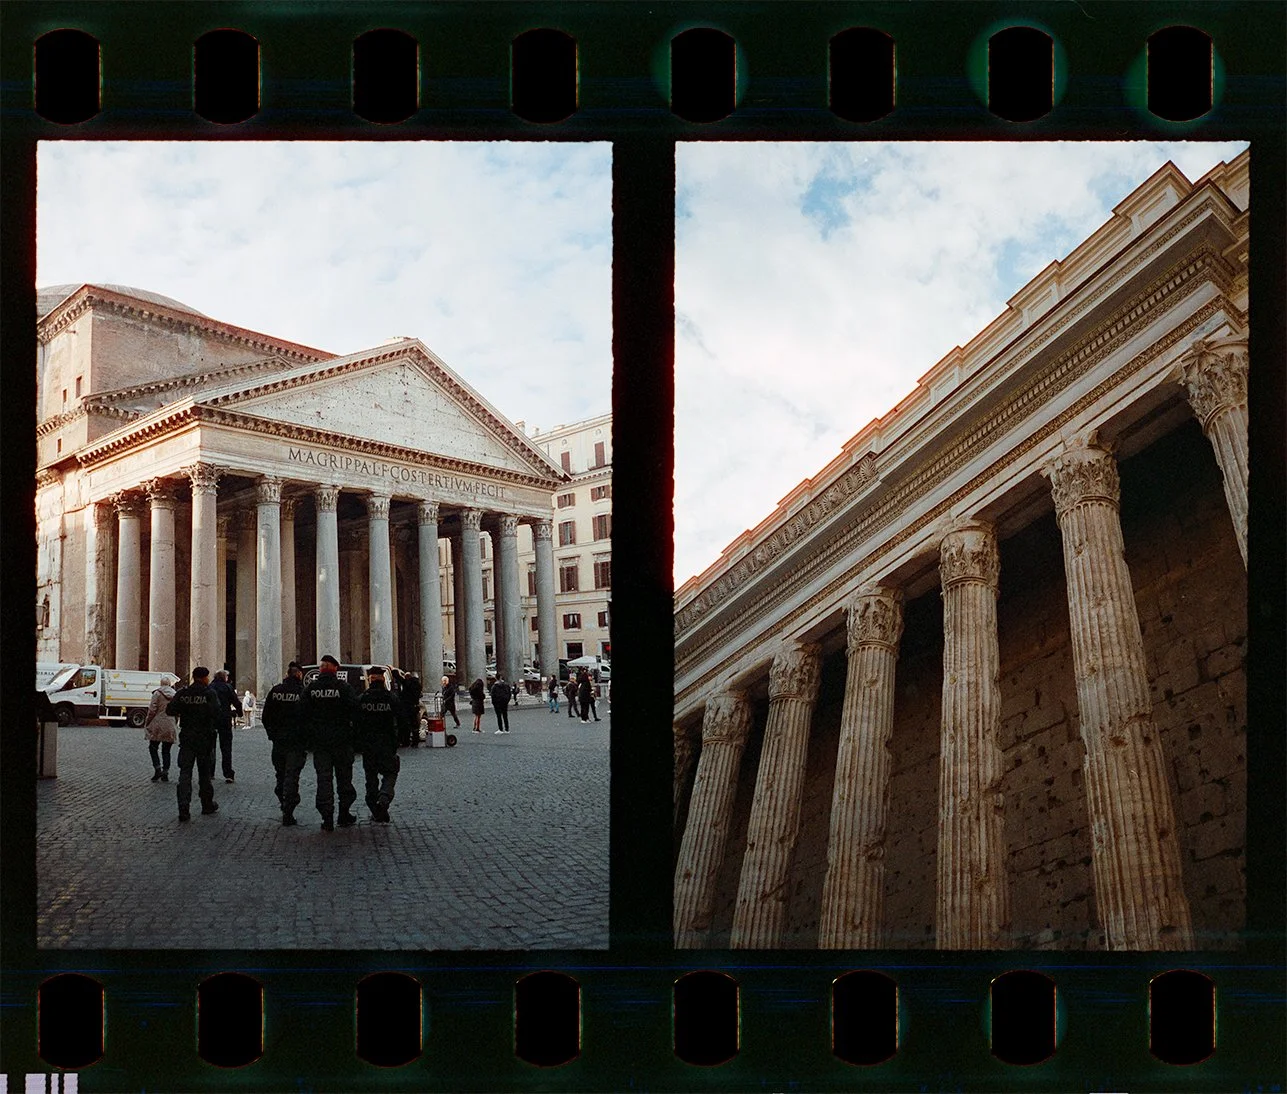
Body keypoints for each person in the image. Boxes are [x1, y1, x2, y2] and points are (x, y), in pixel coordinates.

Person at [301, 654, 359, 832]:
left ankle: (327, 818)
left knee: (323, 780)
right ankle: (343, 814)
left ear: (320, 669)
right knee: (344, 779)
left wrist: (310, 736)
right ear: (335, 668)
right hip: (341, 741)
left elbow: (302, 713)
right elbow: (356, 712)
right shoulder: (344, 688)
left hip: (320, 743)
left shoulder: (311, 689)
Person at [166, 666, 221, 821]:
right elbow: (217, 712)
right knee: (204, 774)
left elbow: (170, 710)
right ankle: (206, 804)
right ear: (204, 678)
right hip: (204, 738)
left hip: (187, 737)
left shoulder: (183, 693)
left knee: (185, 773)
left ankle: (183, 807)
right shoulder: (209, 693)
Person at [260, 661, 308, 826]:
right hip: (296, 741)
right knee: (292, 776)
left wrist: (272, 735)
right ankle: (288, 809)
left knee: (280, 774)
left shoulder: (275, 691)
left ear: (287, 674)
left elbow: (265, 716)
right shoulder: (303, 693)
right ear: (299, 675)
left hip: (279, 741)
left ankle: (283, 800)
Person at [356, 665, 401, 823]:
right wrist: (401, 739)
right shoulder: (391, 698)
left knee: (371, 777)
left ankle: (375, 808)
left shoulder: (362, 699)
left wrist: (358, 742)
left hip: (368, 745)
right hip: (387, 744)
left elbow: (356, 723)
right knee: (390, 773)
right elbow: (402, 720)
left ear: (370, 679)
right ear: (383, 679)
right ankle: (384, 798)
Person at [143, 674, 179, 782]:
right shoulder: (175, 695)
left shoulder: (157, 694)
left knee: (153, 747)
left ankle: (157, 768)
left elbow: (152, 710)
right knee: (166, 750)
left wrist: (147, 722)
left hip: (158, 723)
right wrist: (175, 722)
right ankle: (165, 772)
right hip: (170, 723)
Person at [209, 670, 243, 783]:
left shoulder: (210, 687)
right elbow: (236, 701)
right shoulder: (227, 687)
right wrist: (240, 712)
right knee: (226, 748)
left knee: (210, 747)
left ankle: (210, 772)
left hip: (212, 719)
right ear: (224, 677)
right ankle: (228, 773)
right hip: (224, 718)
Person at [399, 671, 423, 748]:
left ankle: (406, 742)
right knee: (415, 725)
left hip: (407, 706)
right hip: (415, 706)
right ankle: (415, 742)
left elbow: (399, 679)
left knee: (406, 725)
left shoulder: (408, 683)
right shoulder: (418, 685)